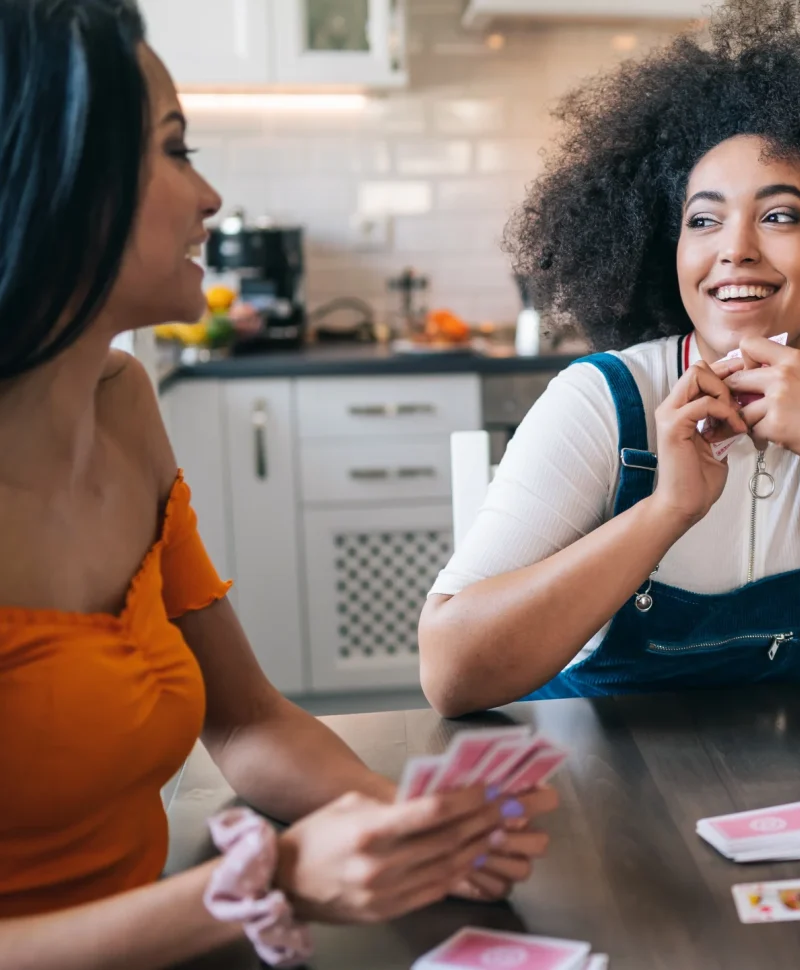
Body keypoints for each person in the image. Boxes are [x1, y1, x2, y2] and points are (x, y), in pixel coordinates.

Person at [0, 3, 556, 966]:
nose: (210, 197)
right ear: (64, 177)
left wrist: (406, 832)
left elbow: (248, 719)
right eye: (176, 152)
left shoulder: (125, 406)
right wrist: (265, 888)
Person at [417, 0, 800, 714]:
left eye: (779, 215)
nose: (735, 247)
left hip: (778, 779)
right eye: (703, 220)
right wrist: (668, 509)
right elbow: (451, 675)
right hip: (579, 778)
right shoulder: (604, 401)